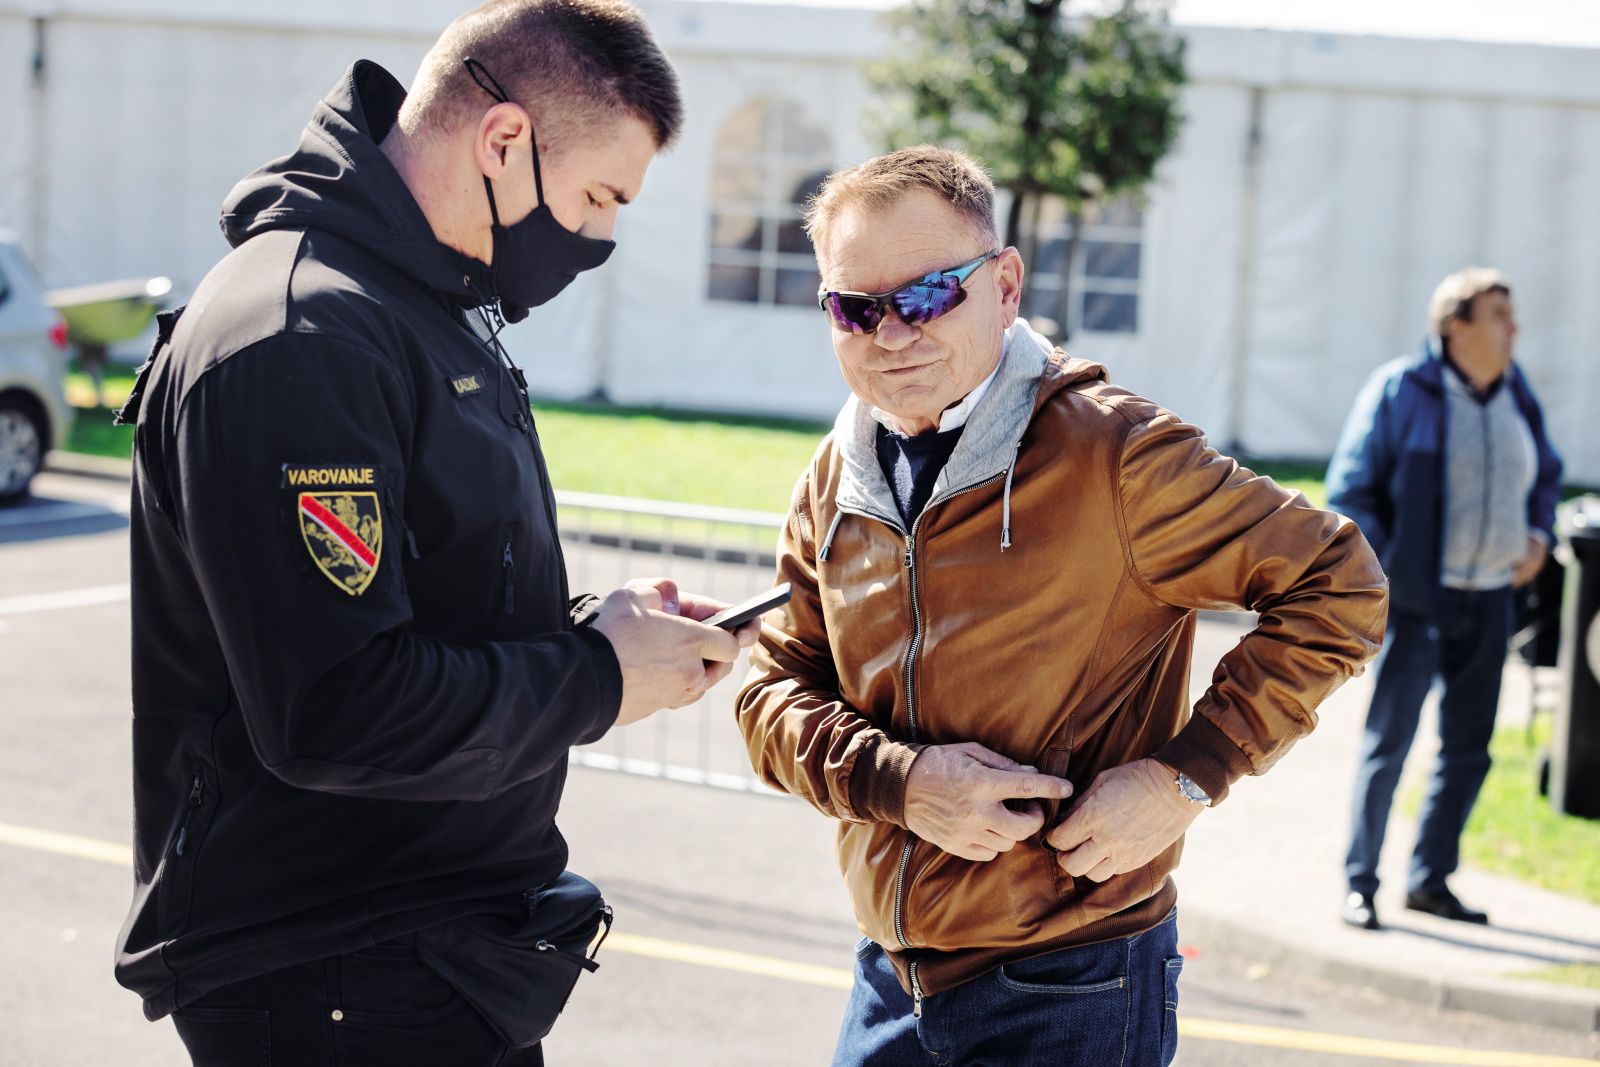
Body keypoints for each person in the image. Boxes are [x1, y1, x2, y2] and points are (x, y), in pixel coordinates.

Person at [112, 2, 757, 1063]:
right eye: (599, 195)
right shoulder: (300, 334)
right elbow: (338, 708)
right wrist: (595, 675)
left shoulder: (418, 304)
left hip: (426, 954)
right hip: (336, 968)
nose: (601, 235)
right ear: (504, 140)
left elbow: (434, 602)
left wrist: (606, 632)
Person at [734, 146, 1389, 1066]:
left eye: (926, 296)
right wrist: (902, 782)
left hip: (1074, 984)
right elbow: (769, 693)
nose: (892, 335)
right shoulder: (834, 477)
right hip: (888, 980)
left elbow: (1340, 582)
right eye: (857, 308)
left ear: (1005, 284)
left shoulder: (1114, 453)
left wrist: (1187, 774)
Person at [1331, 267, 1563, 931]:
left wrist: (1539, 534)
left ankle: (1431, 880)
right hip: (1417, 603)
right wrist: (1388, 572)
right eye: (1499, 314)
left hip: (1490, 600)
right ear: (1455, 324)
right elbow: (1352, 492)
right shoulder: (1403, 389)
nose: (1513, 328)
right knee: (1390, 745)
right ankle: (1361, 882)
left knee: (1469, 749)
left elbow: (1545, 471)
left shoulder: (1516, 392)